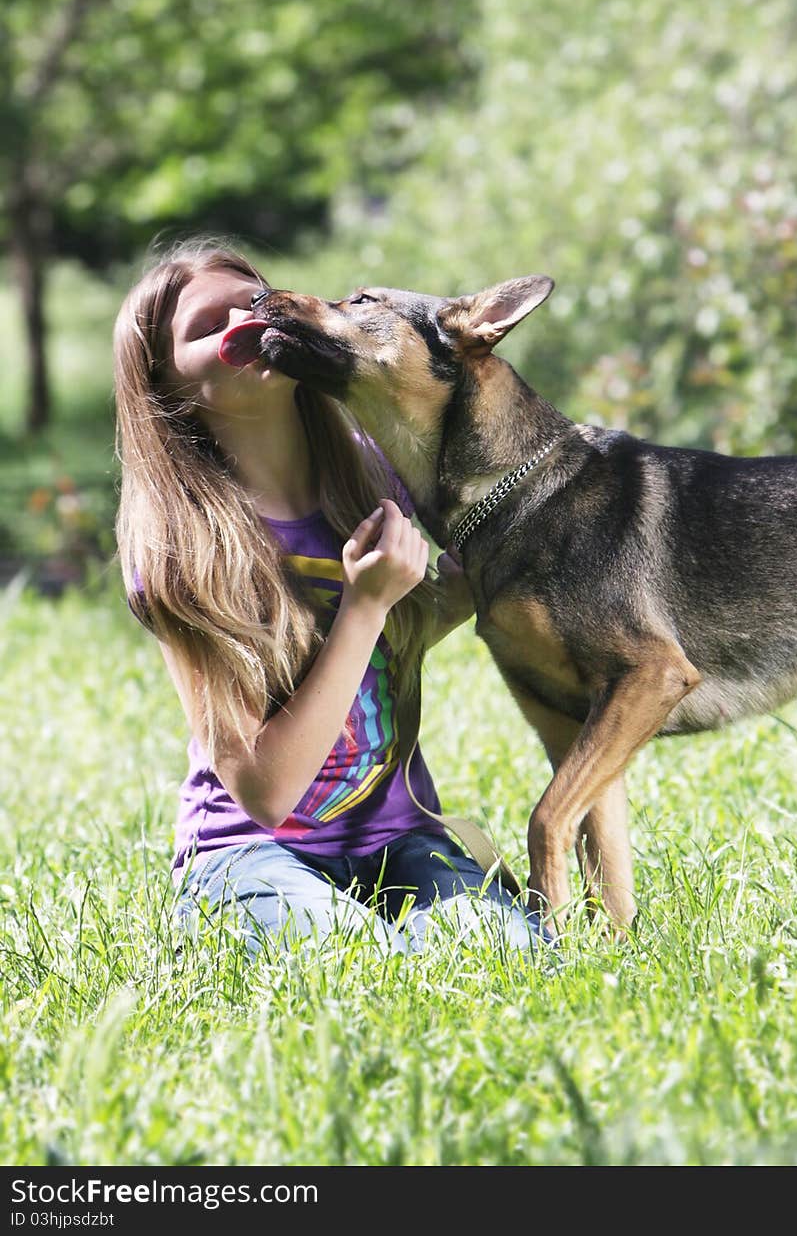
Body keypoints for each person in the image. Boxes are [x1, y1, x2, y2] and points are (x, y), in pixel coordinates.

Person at [112, 236, 542, 958]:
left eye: (253, 303)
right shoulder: (181, 554)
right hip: (248, 854)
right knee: (360, 970)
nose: (241, 321)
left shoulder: (374, 474)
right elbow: (266, 790)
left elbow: (363, 657)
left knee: (510, 960)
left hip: (398, 841)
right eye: (204, 325)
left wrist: (452, 597)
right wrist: (365, 605)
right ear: (166, 385)